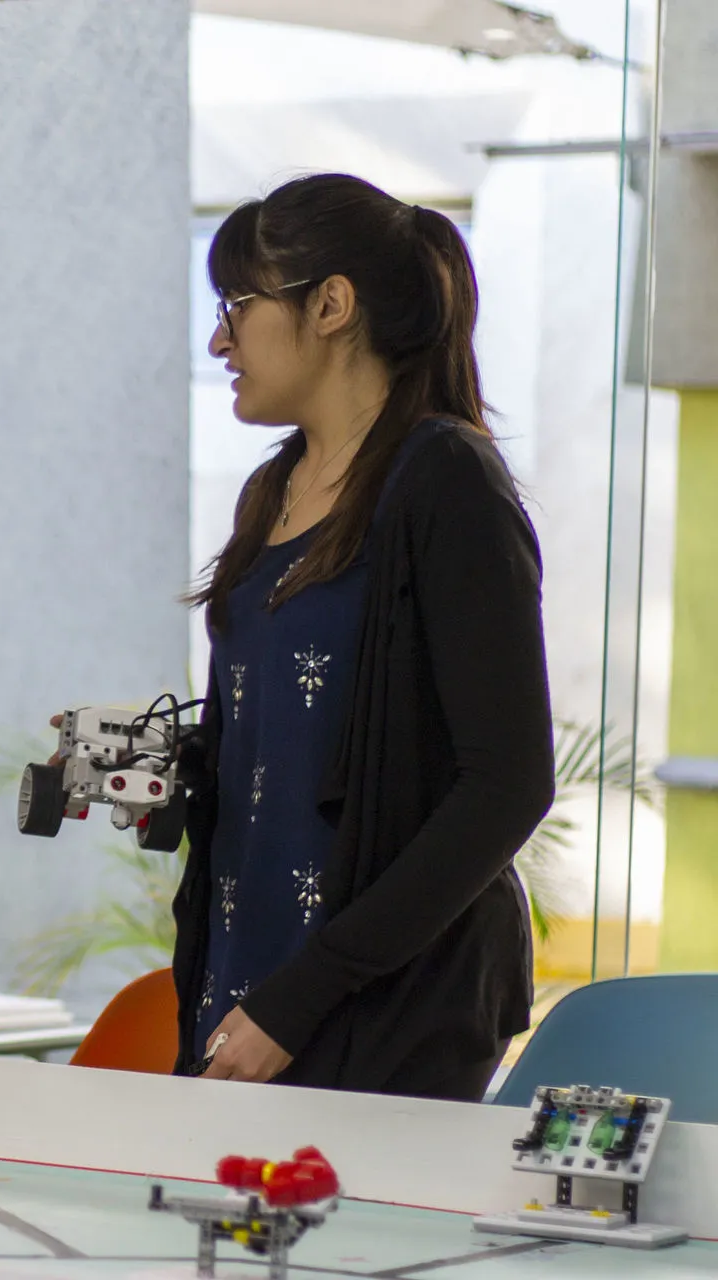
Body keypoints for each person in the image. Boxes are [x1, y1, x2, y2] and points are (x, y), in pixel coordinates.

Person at [174, 173, 554, 1098]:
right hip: (247, 987)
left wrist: (300, 998)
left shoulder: (446, 481)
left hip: (384, 1008)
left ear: (332, 305)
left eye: (237, 306)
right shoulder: (275, 489)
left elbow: (507, 784)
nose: (219, 339)